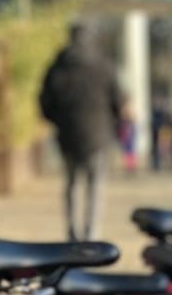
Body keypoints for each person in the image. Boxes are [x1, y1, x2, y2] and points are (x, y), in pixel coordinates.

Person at [38, 23, 124, 241]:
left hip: (67, 134)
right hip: (99, 134)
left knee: (71, 184)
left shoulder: (57, 66)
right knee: (95, 186)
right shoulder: (104, 66)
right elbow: (119, 100)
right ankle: (92, 233)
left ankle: (72, 231)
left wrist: (58, 120)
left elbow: (45, 103)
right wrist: (112, 122)